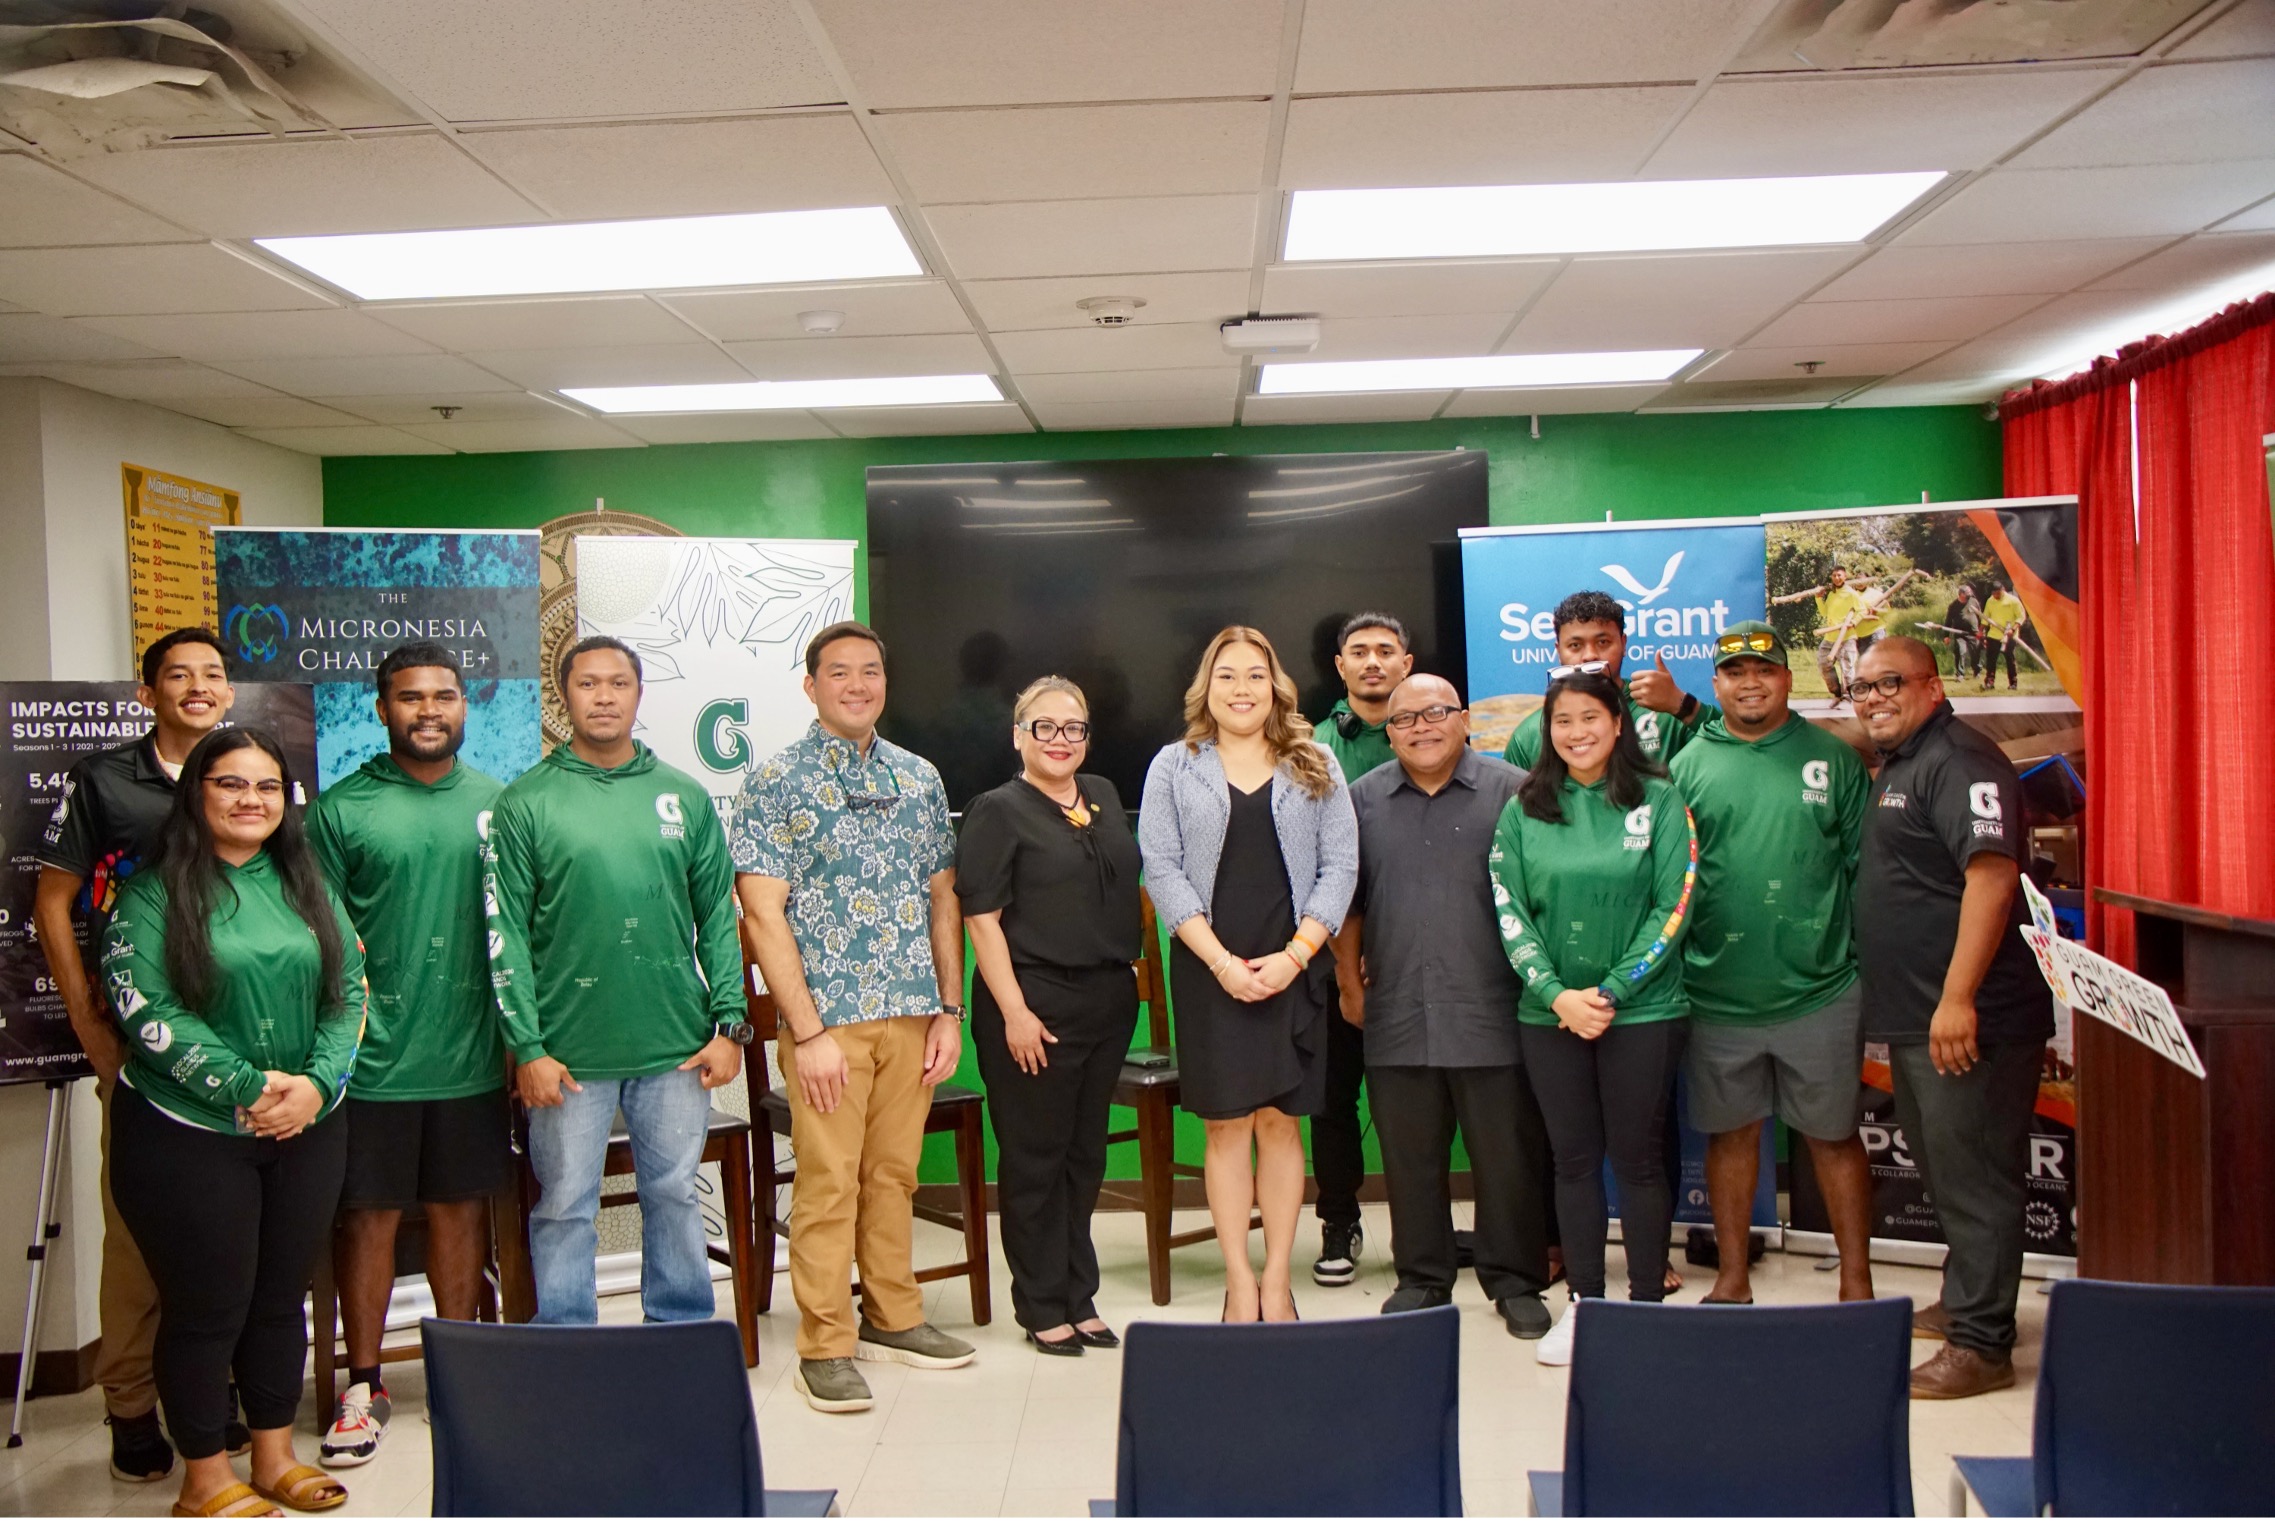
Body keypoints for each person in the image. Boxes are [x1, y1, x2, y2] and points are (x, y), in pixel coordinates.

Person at [102, 727, 365, 1517]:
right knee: (207, 1305)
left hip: (307, 1125)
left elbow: (351, 990)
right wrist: (250, 1088)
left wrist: (316, 1086)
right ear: (197, 794)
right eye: (229, 784)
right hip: (186, 1132)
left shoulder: (307, 883)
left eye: (265, 787)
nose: (250, 800)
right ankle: (208, 1476)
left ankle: (276, 1456)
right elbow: (146, 1007)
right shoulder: (150, 893)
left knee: (282, 1299)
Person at [734, 621, 975, 1415]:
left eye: (870, 671)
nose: (857, 684)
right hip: (825, 1022)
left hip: (911, 1013)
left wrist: (949, 1010)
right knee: (830, 1181)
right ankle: (826, 1344)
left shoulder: (919, 777)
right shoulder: (776, 780)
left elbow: (943, 900)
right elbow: (763, 915)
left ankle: (894, 1316)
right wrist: (803, 1034)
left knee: (893, 1175)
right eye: (839, 672)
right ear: (811, 686)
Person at [484, 637, 748, 1330]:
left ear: (637, 694)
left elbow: (718, 915)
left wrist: (729, 1026)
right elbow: (504, 931)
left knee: (673, 1194)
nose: (603, 696)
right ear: (562, 695)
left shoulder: (682, 796)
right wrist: (527, 1047)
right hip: (565, 1056)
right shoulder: (526, 801)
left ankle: (683, 1331)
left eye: (618, 683)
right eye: (587, 684)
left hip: (675, 1045)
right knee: (566, 1202)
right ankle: (567, 1341)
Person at [31, 627, 243, 1483]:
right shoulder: (108, 781)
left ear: (230, 693)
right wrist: (89, 1022)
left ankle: (216, 1394)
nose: (198, 687)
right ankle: (128, 1403)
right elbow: (54, 902)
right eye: (178, 676)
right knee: (138, 1233)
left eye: (213, 675)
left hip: (238, 1045)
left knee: (232, 1236)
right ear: (147, 691)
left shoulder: (250, 771)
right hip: (142, 1051)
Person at [306, 645, 508, 1467]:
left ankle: (456, 1372)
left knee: (463, 1211)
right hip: (373, 1061)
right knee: (368, 1219)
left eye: (445, 696)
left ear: (466, 706)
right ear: (380, 707)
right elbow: (319, 941)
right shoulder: (341, 811)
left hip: (474, 1056)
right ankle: (364, 1386)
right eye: (410, 697)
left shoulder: (503, 805)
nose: (429, 710)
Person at [1850, 637, 2052, 1400]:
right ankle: (1969, 1301)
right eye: (1859, 686)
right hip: (1920, 1016)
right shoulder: (1905, 758)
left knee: (1974, 1179)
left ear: (1932, 687)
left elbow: (1992, 877)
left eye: (1887, 683)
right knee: (1945, 1169)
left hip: (1970, 1017)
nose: (1870, 697)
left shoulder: (1960, 759)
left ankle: (1981, 1345)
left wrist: (1957, 997)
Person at [1139, 627, 1357, 1325]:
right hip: (1210, 969)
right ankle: (1239, 1282)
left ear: (1275, 686)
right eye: (1226, 675)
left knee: (1281, 1125)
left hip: (1295, 965)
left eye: (1254, 676)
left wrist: (1295, 957)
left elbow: (1341, 867)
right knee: (1227, 1127)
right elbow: (1162, 869)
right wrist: (1223, 964)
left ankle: (1276, 1282)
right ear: (1207, 687)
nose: (1241, 689)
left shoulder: (1315, 761)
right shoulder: (1174, 765)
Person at [1334, 674, 1553, 1336]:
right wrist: (1348, 986)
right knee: (1409, 1155)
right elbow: (1346, 907)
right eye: (1404, 720)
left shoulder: (1514, 792)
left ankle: (1513, 1279)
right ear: (1388, 732)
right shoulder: (1362, 801)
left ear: (1462, 720)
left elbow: (1544, 897)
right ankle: (1422, 1277)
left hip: (1495, 1009)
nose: (1421, 727)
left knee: (1506, 1157)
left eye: (1435, 713)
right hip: (1396, 1008)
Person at [1490, 667, 1695, 1366]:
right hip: (1548, 1016)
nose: (1576, 733)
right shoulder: (1524, 806)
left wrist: (1607, 993)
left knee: (1637, 1161)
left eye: (1589, 718)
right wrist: (1556, 996)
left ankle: (1644, 1308)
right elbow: (1508, 910)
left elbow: (1674, 904)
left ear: (1617, 723)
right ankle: (1584, 1304)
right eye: (1562, 721)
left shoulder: (1660, 799)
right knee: (1572, 1162)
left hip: (1640, 1013)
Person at [1668, 623, 1876, 1305]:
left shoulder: (1832, 758)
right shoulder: (1686, 763)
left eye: (1763, 669)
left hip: (1820, 988)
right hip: (1715, 991)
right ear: (1715, 683)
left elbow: (1861, 870)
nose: (1749, 682)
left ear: (1788, 678)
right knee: (1730, 1138)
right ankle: (1731, 1277)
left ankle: (1855, 1281)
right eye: (1734, 672)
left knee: (1833, 1138)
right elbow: (1670, 878)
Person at [956, 676, 1141, 1356]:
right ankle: (1040, 1305)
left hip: (1104, 1002)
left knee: (1083, 1156)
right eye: (1045, 727)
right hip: (1033, 1004)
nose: (1061, 740)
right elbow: (981, 919)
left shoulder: (1101, 795)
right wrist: (1014, 1012)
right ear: (1018, 735)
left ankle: (1078, 1295)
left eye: (1074, 728)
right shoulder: (996, 810)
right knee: (1035, 1160)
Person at [1305, 611, 1414, 1286]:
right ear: (1339, 667)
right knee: (1332, 1101)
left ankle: (1420, 1231)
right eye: (1358, 652)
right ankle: (1338, 1222)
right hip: (1325, 956)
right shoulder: (1308, 746)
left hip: (1417, 954)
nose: (1372, 661)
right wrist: (1345, 968)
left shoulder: (1430, 730)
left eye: (1385, 651)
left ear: (1406, 662)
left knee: (1413, 1106)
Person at [1500, 590, 1704, 771]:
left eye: (1603, 642)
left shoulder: (1666, 714)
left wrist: (1683, 705)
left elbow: (1729, 753)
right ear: (1558, 651)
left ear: (1623, 644)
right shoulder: (1530, 734)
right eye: (1575, 645)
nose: (1590, 655)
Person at [1980, 582, 2028, 691]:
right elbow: (1985, 617)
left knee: (2010, 660)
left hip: (2009, 635)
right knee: (1991, 660)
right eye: (1994, 594)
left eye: (1997, 593)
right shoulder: (1990, 600)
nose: (1996, 596)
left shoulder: (2013, 600)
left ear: (2003, 590)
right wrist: (1981, 630)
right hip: (1993, 635)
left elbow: (2021, 616)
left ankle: (2013, 683)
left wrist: (2013, 629)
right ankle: (1989, 682)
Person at [1941, 583, 1983, 680]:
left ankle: (1977, 672)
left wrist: (1981, 630)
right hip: (1960, 633)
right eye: (1967, 594)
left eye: (1970, 594)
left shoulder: (1974, 601)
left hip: (1974, 632)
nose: (1969, 596)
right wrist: (1946, 636)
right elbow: (1948, 621)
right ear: (1961, 594)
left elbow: (1980, 616)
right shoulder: (1953, 606)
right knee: (1960, 651)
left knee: (1975, 652)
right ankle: (1960, 674)